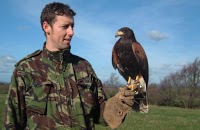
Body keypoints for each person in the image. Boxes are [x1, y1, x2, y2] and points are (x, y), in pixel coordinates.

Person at [2, 2, 137, 130]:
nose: (71, 32)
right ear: (46, 27)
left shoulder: (84, 67)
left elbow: (101, 115)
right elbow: (12, 123)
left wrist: (120, 102)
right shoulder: (25, 69)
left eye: (72, 26)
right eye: (65, 26)